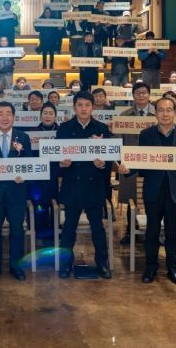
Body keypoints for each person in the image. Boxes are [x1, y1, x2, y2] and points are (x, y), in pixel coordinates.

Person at [130, 98, 176, 285]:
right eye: (161, 110)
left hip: (175, 190)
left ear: (175, 113)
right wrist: (127, 168)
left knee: (173, 232)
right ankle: (151, 267)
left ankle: (172, 267)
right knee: (152, 231)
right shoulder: (146, 135)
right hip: (153, 190)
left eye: (169, 110)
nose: (165, 114)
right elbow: (140, 161)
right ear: (155, 113)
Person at [56, 91, 120, 279]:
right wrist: (61, 163)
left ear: (93, 107)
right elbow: (56, 156)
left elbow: (109, 157)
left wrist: (103, 164)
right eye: (80, 105)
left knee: (98, 229)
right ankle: (65, 265)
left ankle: (102, 263)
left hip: (94, 187)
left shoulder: (102, 128)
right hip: (72, 186)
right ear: (74, 107)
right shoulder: (64, 128)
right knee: (68, 229)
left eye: (87, 105)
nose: (83, 109)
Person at [0, 102, 33, 282]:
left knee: (17, 231)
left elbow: (29, 163)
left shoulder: (23, 137)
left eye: (8, 113)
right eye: (0, 113)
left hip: (16, 192)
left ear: (14, 117)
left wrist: (24, 176)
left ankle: (16, 267)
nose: (4, 117)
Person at [117, 82, 156, 244]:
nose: (141, 95)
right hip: (130, 162)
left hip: (152, 162)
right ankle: (130, 230)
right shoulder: (124, 115)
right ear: (133, 95)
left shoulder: (157, 114)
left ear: (149, 94)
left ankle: (153, 232)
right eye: (138, 92)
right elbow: (118, 141)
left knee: (153, 198)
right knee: (131, 198)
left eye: (144, 92)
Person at [29, 102, 60, 241]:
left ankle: (54, 232)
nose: (48, 116)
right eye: (45, 113)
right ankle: (40, 232)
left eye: (51, 113)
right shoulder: (32, 132)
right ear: (40, 116)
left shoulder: (61, 132)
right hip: (38, 174)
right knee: (39, 204)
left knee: (54, 203)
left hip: (56, 173)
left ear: (55, 116)